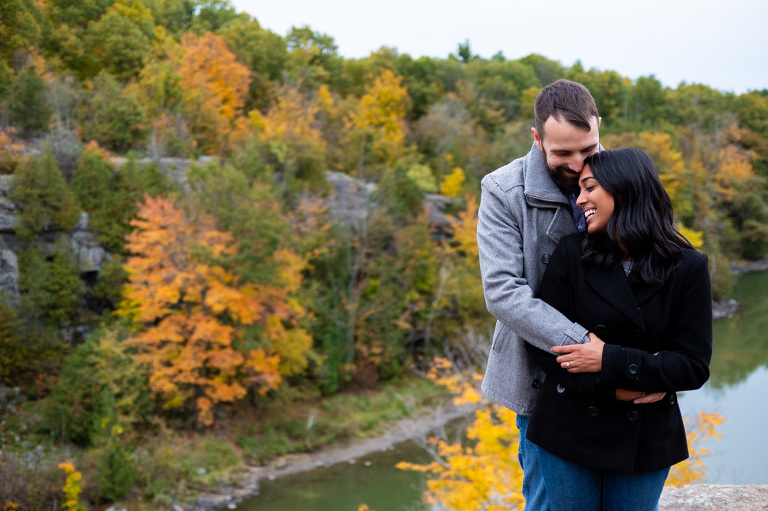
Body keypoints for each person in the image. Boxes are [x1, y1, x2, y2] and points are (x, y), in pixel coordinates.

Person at [526, 148, 713, 511]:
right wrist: (622, 388)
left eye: (589, 187)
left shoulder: (688, 266)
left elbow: (692, 366)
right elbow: (542, 345)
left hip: (643, 436)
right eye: (579, 189)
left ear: (624, 189)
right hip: (568, 427)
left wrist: (606, 358)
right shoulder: (571, 252)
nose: (580, 200)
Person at [478, 79, 629, 510]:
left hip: (619, 371)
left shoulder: (625, 176)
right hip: (541, 376)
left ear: (599, 126)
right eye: (563, 153)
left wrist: (639, 364)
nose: (579, 163)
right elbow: (504, 293)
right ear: (537, 138)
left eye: (588, 149)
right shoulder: (503, 190)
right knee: (551, 502)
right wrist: (587, 348)